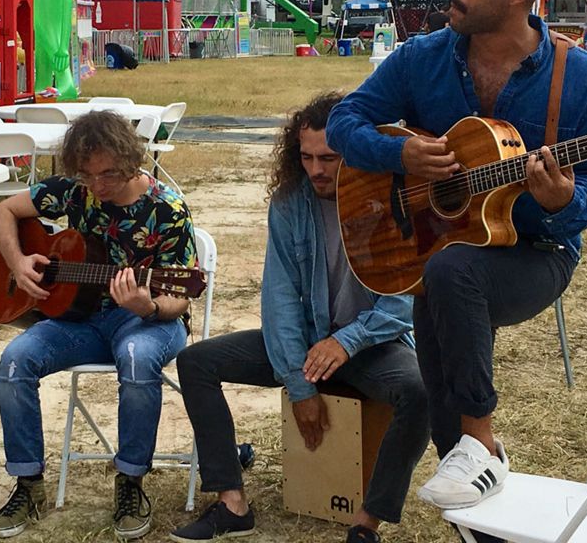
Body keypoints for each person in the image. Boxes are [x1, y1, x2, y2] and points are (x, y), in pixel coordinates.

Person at [325, 0, 587, 514]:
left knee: (451, 275)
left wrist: (562, 199)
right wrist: (400, 153)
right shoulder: (421, 58)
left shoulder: (584, 79)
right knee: (443, 403)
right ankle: (472, 468)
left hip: (536, 253)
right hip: (437, 244)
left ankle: (483, 443)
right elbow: (342, 122)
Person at [169, 92, 428, 543]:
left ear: (358, 150)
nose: (316, 170)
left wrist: (346, 341)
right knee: (197, 362)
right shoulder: (289, 203)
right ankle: (232, 504)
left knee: (420, 390)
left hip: (370, 345)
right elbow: (280, 299)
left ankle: (368, 521)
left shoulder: (393, 197)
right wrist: (299, 382)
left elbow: (403, 302)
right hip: (306, 343)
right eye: (305, 157)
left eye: (329, 157)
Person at [0, 111, 198, 540]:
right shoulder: (74, 192)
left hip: (148, 320)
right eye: (87, 175)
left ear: (132, 159)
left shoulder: (167, 210)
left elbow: (180, 295)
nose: (98, 185)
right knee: (15, 360)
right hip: (79, 320)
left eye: (109, 174)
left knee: (137, 358)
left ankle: (130, 481)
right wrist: (17, 261)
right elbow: (4, 209)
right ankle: (28, 484)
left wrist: (147, 306)